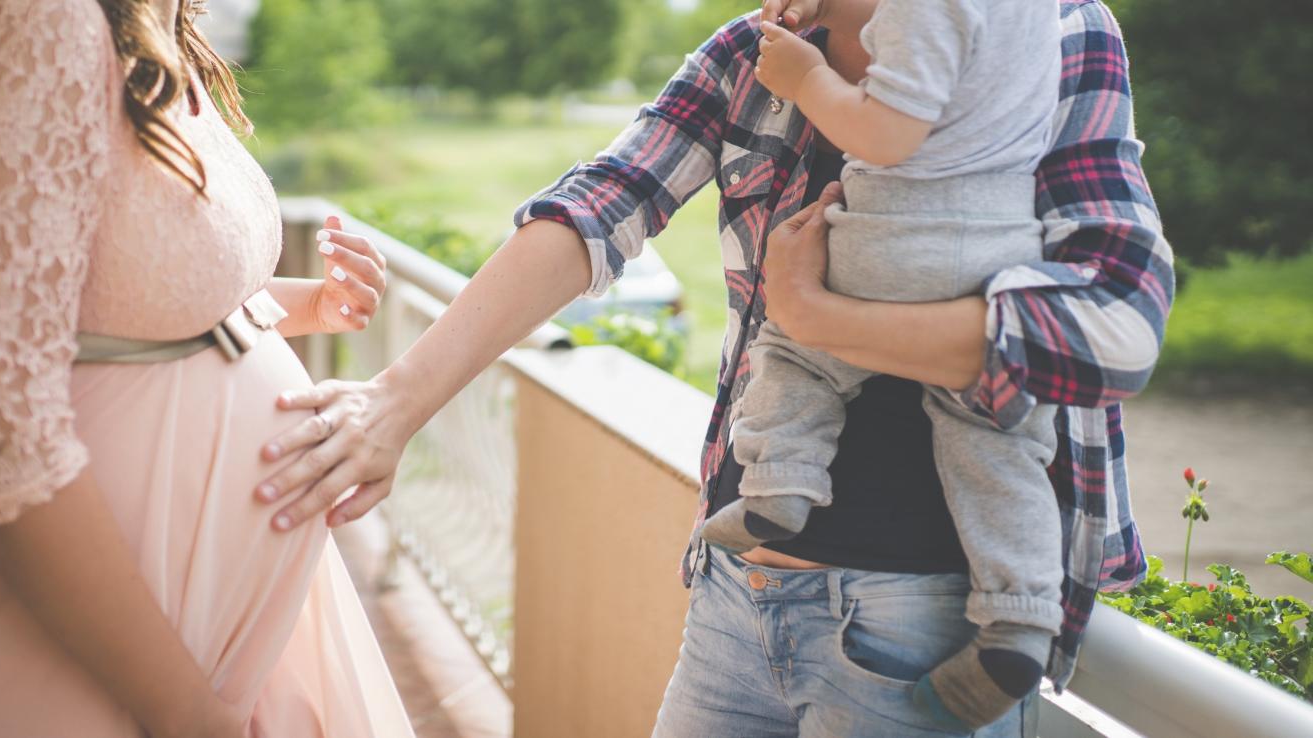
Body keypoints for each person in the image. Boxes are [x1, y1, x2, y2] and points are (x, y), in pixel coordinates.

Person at [256, 0, 1172, 733]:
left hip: (924, 617)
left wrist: (820, 318)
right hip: (738, 588)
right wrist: (396, 401)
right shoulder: (757, 51)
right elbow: (600, 204)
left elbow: (1117, 323)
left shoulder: (1054, 28)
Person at [0, 0, 411, 735]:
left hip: (213, 643)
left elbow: (122, 301)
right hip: (80, 658)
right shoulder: (40, 25)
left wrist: (307, 306)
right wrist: (189, 713)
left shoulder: (155, 32)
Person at [696, 0, 1066, 729]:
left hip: (897, 239)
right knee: (996, 437)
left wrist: (806, 78)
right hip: (999, 254)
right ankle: (1020, 618)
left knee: (795, 349)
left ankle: (779, 484)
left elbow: (887, 134)